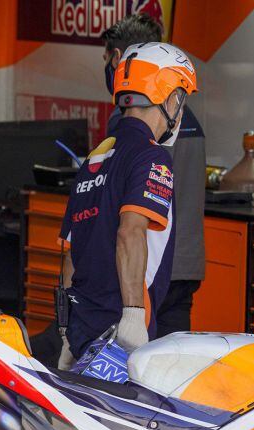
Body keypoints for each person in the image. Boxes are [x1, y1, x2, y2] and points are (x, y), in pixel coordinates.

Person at [59, 42, 198, 367]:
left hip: (83, 321)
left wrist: (66, 330)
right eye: (182, 98)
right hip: (120, 324)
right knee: (119, 418)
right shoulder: (153, 157)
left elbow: (70, 252)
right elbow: (131, 232)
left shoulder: (95, 157)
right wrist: (135, 314)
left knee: (81, 416)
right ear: (171, 97)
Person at [101, 13, 206, 337]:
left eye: (107, 60)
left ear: (120, 61)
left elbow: (132, 221)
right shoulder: (182, 113)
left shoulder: (135, 125)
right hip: (185, 265)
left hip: (144, 269)